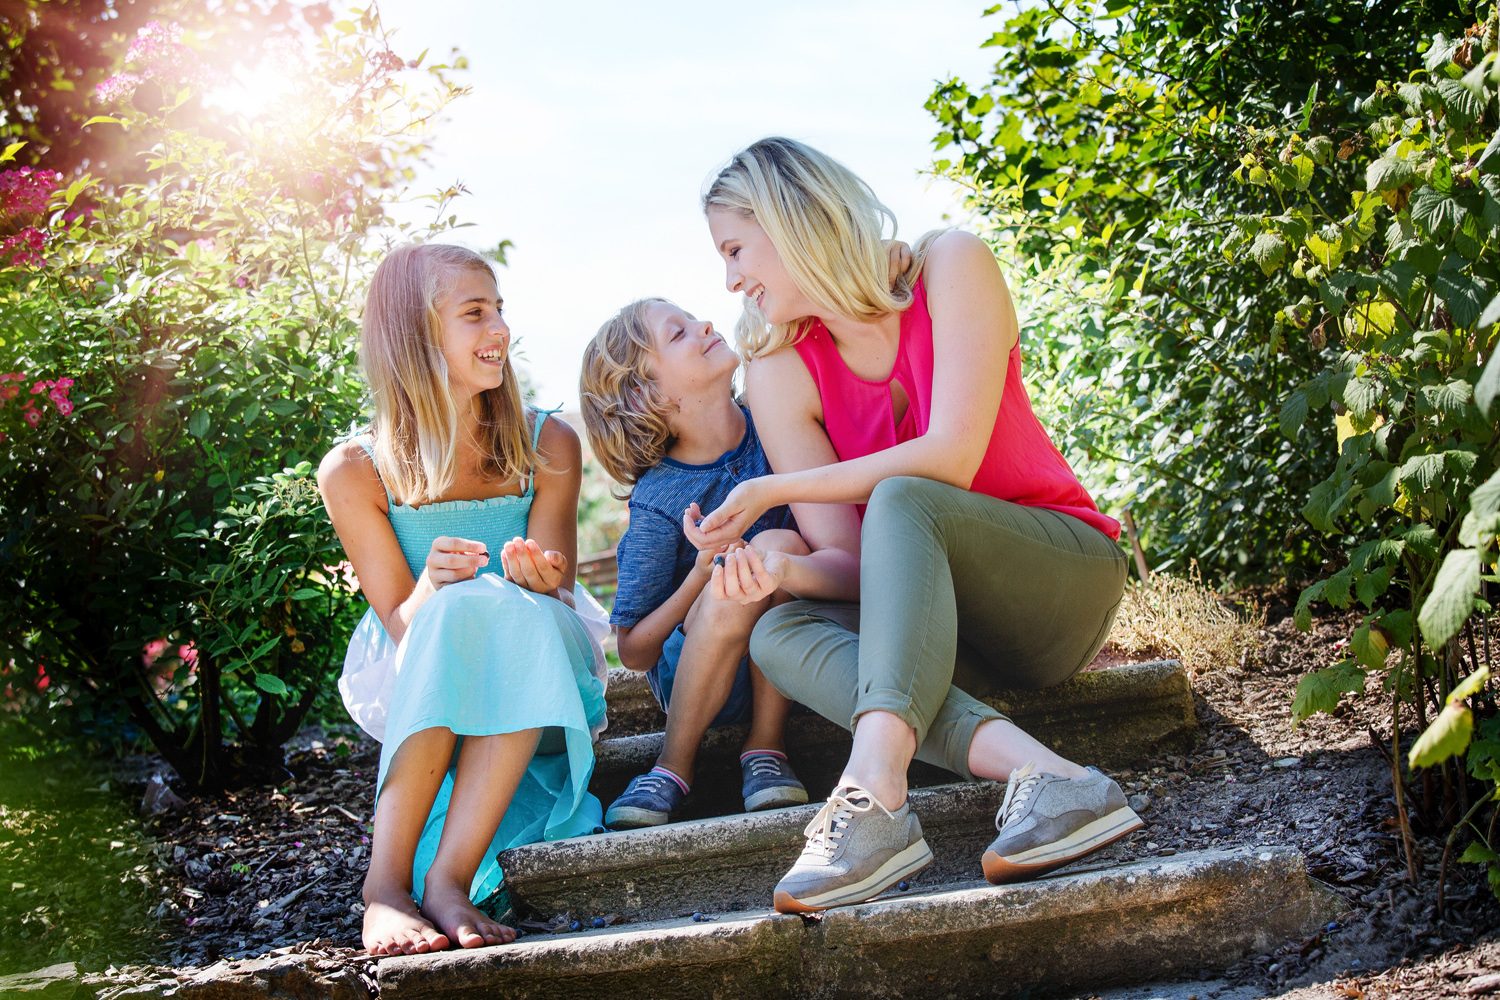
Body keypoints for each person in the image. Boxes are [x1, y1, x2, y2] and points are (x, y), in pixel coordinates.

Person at [691, 136, 1141, 915]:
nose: (730, 279)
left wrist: (773, 488)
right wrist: (783, 573)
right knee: (779, 633)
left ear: (792, 218)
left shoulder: (951, 265)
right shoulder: (780, 369)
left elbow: (951, 459)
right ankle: (1052, 777)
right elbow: (852, 561)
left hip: (1054, 584)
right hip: (940, 637)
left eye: (736, 249)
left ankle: (872, 796)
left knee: (906, 492)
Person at [319, 243, 609, 956]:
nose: (500, 330)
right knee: (460, 605)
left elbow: (560, 590)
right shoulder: (356, 471)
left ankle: (444, 879)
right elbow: (399, 623)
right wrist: (430, 584)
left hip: (543, 668)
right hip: (426, 668)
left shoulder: (548, 441)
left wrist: (540, 580)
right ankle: (383, 887)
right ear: (415, 336)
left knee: (503, 606)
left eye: (500, 310)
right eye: (475, 314)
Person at [578, 298, 811, 828]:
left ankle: (766, 748)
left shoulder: (778, 426)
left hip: (795, 651)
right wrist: (702, 570)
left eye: (693, 319)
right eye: (678, 333)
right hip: (705, 681)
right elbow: (634, 651)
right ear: (648, 393)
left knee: (778, 545)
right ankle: (671, 766)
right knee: (740, 569)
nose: (704, 324)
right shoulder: (660, 498)